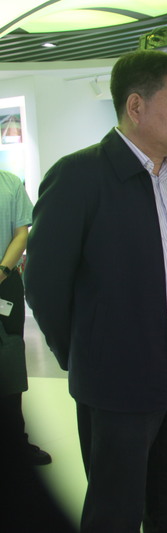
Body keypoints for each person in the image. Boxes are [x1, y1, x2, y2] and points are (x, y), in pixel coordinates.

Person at [25, 50, 167, 532]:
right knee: (117, 503)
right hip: (118, 363)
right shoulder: (79, 175)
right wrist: (85, 354)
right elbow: (43, 284)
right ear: (136, 106)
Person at [0, 170, 51, 466]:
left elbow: (22, 233)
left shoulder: (9, 182)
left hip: (4, 282)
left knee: (10, 367)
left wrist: (3, 271)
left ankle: (15, 443)